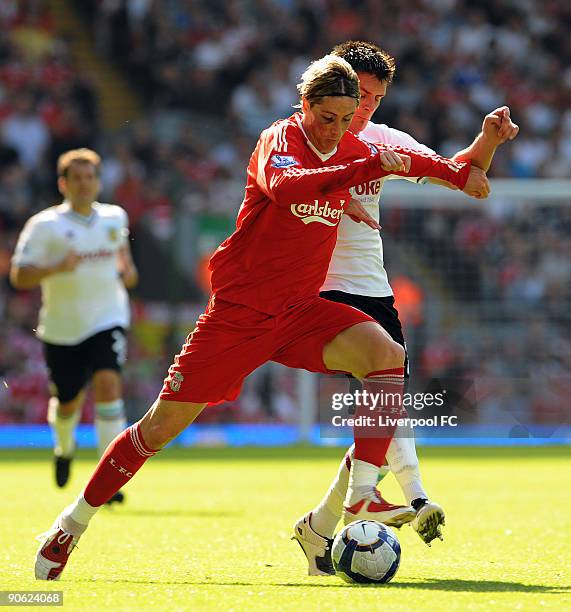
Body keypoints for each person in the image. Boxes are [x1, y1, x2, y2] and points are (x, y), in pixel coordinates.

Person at [34, 54, 486, 581]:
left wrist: (466, 170)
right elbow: (290, 188)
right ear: (305, 106)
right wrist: (360, 171)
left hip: (299, 311)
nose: (338, 130)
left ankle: (362, 496)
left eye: (347, 119)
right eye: (328, 118)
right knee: (156, 429)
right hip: (239, 316)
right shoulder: (279, 140)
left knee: (387, 357)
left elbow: (421, 165)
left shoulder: (354, 147)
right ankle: (71, 524)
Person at [291, 41, 519, 576]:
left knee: (384, 409)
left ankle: (322, 526)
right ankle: (397, 498)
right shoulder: (304, 134)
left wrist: (486, 142)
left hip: (372, 287)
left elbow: (458, 172)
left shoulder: (383, 140)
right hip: (319, 287)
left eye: (375, 97)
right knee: (382, 401)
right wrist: (333, 188)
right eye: (358, 94)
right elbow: (278, 186)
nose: (365, 106)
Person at [10, 148, 138, 503]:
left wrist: (128, 272)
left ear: (98, 181)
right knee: (67, 402)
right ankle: (64, 448)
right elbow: (19, 275)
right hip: (62, 327)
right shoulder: (45, 225)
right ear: (63, 184)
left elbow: (124, 264)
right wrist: (55, 267)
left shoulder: (114, 217)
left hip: (108, 317)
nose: (84, 184)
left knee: (109, 385)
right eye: (76, 178)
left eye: (90, 177)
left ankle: (108, 478)